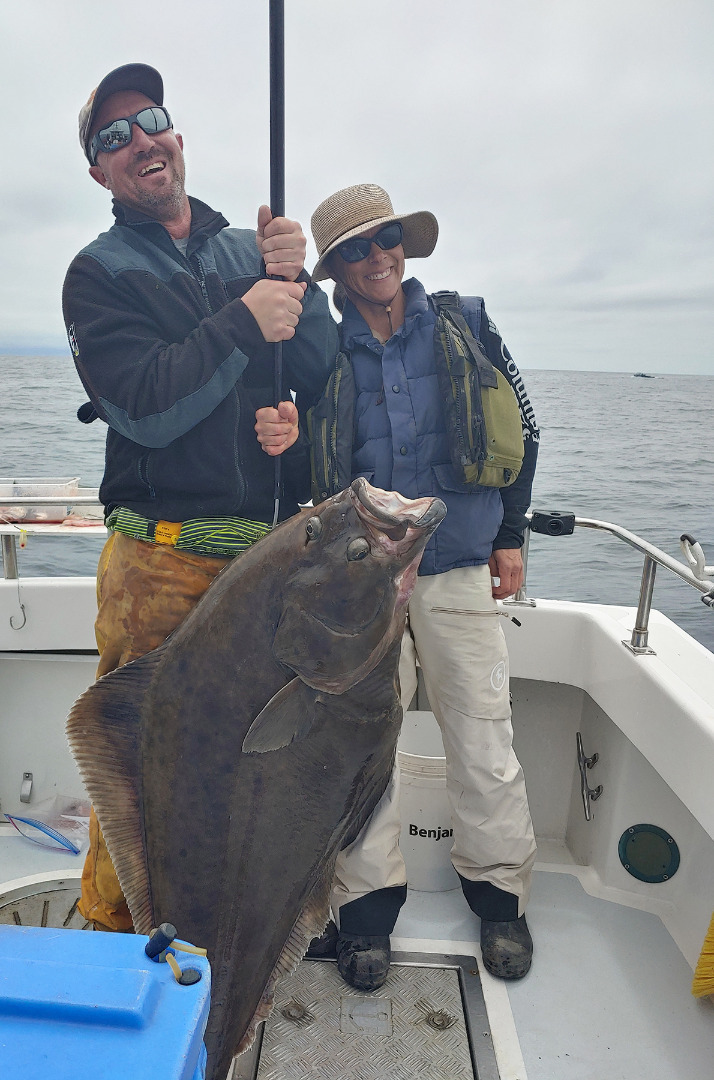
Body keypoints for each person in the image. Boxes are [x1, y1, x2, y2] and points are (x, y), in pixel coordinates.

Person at [62, 63, 337, 933]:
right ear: (100, 171)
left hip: (262, 561)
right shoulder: (97, 274)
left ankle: (219, 933)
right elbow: (144, 405)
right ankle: (111, 950)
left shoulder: (246, 248)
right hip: (159, 564)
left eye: (150, 120)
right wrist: (245, 317)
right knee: (140, 771)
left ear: (176, 135)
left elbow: (320, 365)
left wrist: (302, 284)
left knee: (247, 767)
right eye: (113, 136)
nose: (140, 139)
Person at [305, 183, 540, 985]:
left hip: (458, 565)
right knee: (361, 752)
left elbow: (525, 430)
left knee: (484, 735)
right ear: (333, 267)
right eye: (355, 249)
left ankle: (501, 904)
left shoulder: (465, 322)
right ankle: (365, 914)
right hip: (359, 586)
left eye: (387, 239)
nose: (377, 257)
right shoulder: (318, 345)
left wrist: (510, 534)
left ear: (405, 242)